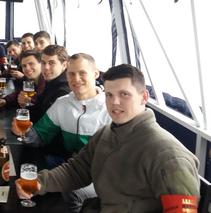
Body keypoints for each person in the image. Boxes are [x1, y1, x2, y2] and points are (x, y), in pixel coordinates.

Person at [16, 64, 200, 212]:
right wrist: (39, 182)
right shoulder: (106, 133)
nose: (114, 102)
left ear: (144, 97)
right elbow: (77, 170)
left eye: (124, 94)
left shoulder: (168, 155)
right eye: (109, 95)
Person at [13, 53, 112, 213]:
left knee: (71, 191)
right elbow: (40, 134)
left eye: (82, 73)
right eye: (71, 74)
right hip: (72, 165)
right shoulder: (63, 103)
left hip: (102, 173)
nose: (76, 79)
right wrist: (24, 132)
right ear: (66, 75)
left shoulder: (111, 108)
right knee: (26, 172)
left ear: (95, 74)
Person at [24, 45, 71, 123]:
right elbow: (38, 110)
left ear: (64, 65)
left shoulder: (64, 91)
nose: (46, 67)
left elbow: (48, 125)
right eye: (43, 63)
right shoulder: (50, 82)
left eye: (52, 63)